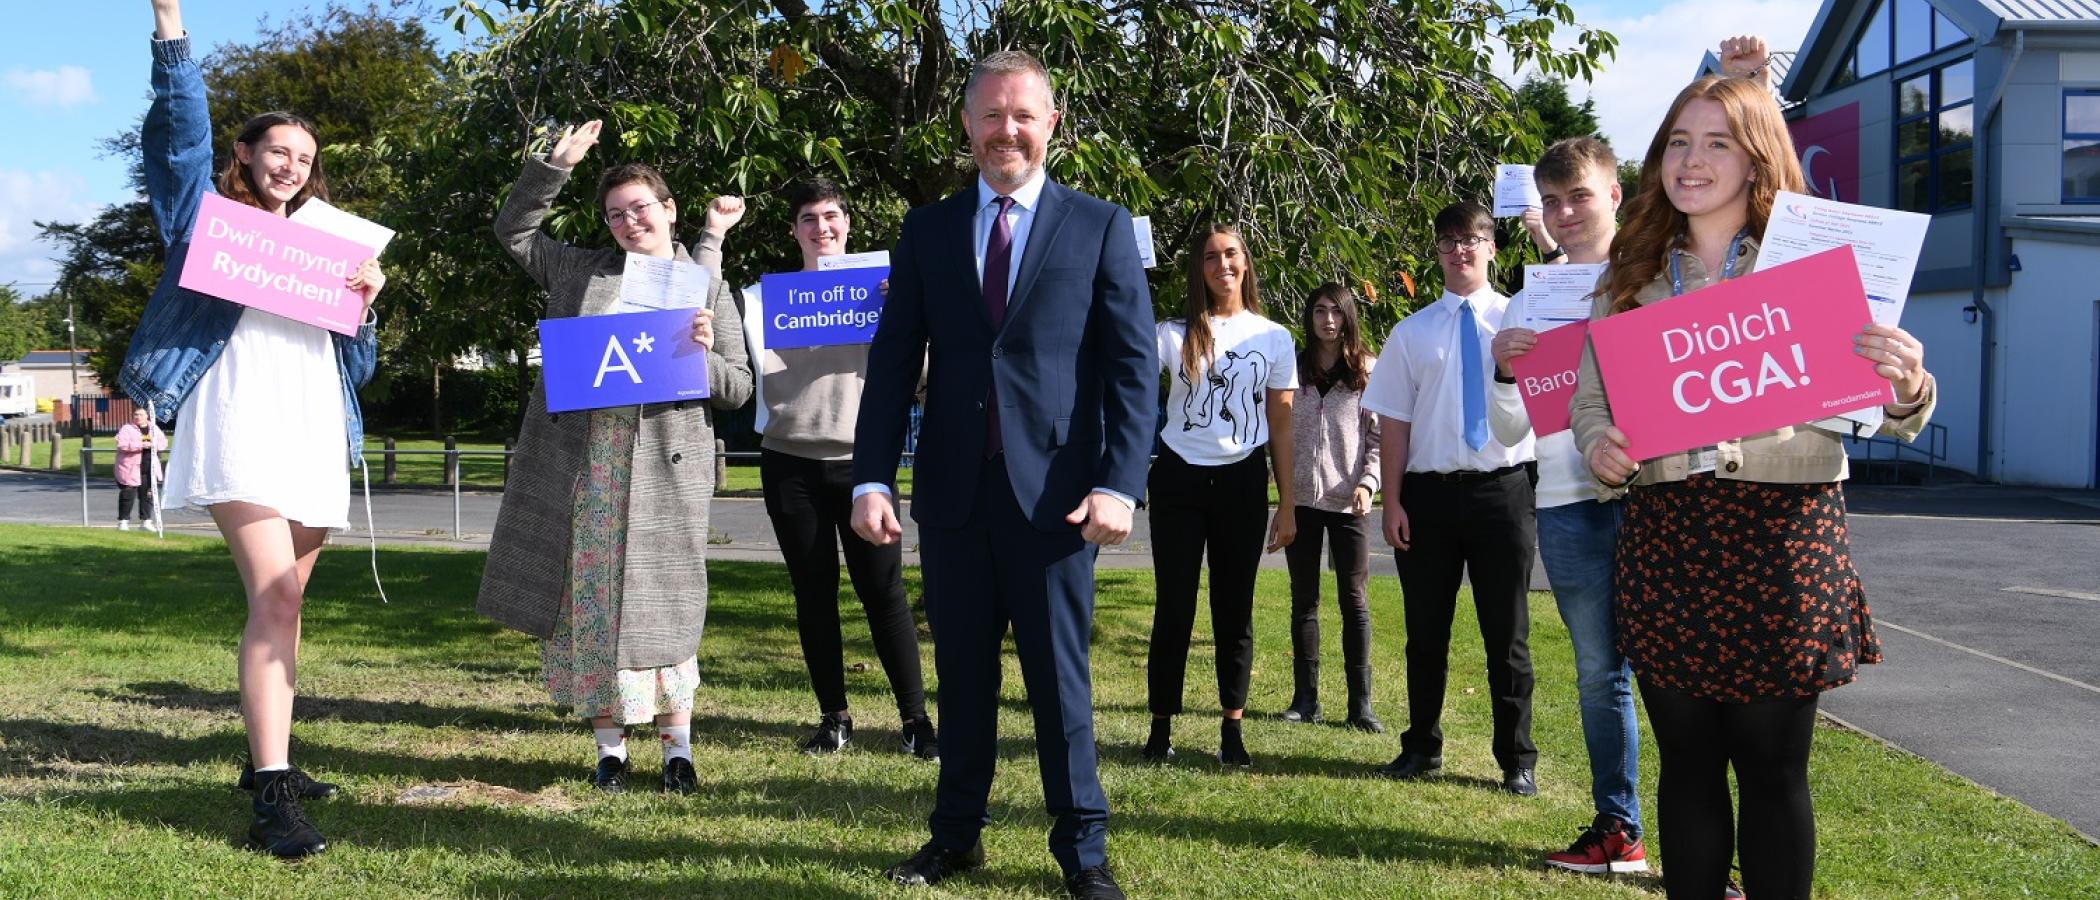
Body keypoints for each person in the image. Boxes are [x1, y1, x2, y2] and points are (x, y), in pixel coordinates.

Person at [1570, 53, 1936, 900]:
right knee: (1688, 767)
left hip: (1784, 538)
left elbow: (1889, 403)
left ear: (1759, 158)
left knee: (1773, 770)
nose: (1691, 162)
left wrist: (1910, 383)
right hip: (1671, 538)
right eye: (1677, 144)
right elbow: (1592, 403)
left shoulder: (1820, 260)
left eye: (1718, 145)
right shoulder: (1627, 272)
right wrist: (1599, 447)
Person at [850, 49, 1154, 900]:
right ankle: (956, 837)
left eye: (1023, 115)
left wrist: (1120, 484)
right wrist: (871, 477)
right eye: (991, 115)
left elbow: (1133, 371)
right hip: (951, 496)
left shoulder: (1099, 225)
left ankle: (1083, 855)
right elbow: (891, 363)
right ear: (968, 126)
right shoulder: (928, 230)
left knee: (1061, 684)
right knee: (965, 681)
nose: (1006, 131)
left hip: (1059, 502)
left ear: (1052, 123)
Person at [118, 0, 384, 860]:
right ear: (245, 154)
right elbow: (178, 136)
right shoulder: (206, 223)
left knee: (289, 605)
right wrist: (171, 27)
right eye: (277, 150)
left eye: (305, 159)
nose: (290, 166)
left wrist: (365, 308)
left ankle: (272, 756)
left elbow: (357, 366)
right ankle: (272, 797)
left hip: (313, 426)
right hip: (237, 423)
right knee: (274, 595)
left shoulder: (326, 243)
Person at [476, 119, 752, 797]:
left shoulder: (706, 285)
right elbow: (513, 233)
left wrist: (701, 355)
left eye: (641, 208)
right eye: (615, 213)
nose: (629, 222)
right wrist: (553, 167)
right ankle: (609, 751)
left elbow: (739, 388)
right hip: (585, 467)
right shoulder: (581, 270)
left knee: (669, 608)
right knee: (589, 607)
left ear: (670, 210)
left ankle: (678, 751)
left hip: (667, 470)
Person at [731, 176, 937, 760]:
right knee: (813, 594)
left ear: (847, 223)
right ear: (794, 230)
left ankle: (916, 721)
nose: (822, 228)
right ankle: (834, 719)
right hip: (788, 464)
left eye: (831, 216)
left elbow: (919, 375)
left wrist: (905, 311)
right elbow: (740, 371)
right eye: (809, 219)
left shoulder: (884, 289)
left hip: (864, 466)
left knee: (884, 591)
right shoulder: (761, 300)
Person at [1489, 135, 1650, 873]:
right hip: (1565, 502)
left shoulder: (1657, 276)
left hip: (1657, 494)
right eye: (1551, 202)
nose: (1564, 213)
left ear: (1614, 194)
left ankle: (1704, 838)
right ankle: (1620, 829)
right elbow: (1507, 430)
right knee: (1598, 672)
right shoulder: (1530, 298)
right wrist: (1500, 374)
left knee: (1682, 671)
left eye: (1579, 195)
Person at [1362, 201, 1540, 797]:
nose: (1460, 250)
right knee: (1425, 631)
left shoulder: (1520, 322)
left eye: (1472, 239)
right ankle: (1421, 746)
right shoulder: (1411, 332)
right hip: (1429, 497)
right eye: (1448, 241)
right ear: (1436, 252)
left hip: (1503, 493)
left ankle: (1517, 758)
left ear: (1493, 247)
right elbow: (1394, 422)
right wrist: (1392, 502)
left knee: (1507, 633)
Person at [1141, 224, 1299, 768]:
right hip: (1179, 478)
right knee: (1175, 606)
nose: (1222, 264)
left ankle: (1232, 730)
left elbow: (1281, 425)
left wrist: (1288, 502)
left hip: (1242, 481)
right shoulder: (1173, 332)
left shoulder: (1274, 337)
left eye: (1231, 254)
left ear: (1246, 262)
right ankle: (1160, 726)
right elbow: (1121, 346)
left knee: (1235, 609)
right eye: (1210, 257)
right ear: (1199, 268)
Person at [1280, 282, 1383, 733]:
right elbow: (1277, 433)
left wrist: (1368, 483)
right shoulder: (1292, 371)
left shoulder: (1366, 373)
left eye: (1336, 312)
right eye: (1320, 311)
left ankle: (1360, 705)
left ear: (1348, 318)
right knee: (1304, 601)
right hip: (1300, 502)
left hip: (1350, 505)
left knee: (1354, 601)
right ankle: (1306, 700)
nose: (1328, 320)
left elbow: (1379, 439)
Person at [114, 408, 168, 533]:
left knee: (148, 494)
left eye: (140, 414)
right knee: (128, 494)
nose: (138, 417)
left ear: (147, 416)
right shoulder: (127, 429)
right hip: (130, 467)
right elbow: (121, 444)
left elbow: (163, 443)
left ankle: (146, 521)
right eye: (135, 414)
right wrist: (140, 445)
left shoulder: (154, 428)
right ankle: (123, 521)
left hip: (149, 466)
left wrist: (153, 445)